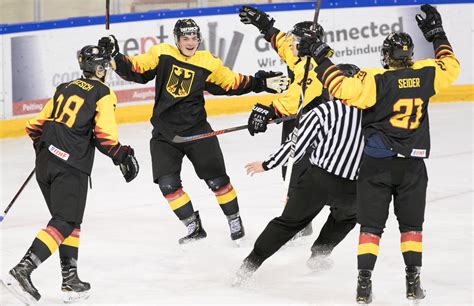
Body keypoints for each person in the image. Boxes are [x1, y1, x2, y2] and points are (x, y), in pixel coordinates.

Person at [297, 4, 460, 304]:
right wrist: (438, 35)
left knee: (371, 228)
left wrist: (320, 55)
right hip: (412, 167)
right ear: (410, 55)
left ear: (387, 57)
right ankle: (413, 283)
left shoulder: (375, 80)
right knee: (411, 228)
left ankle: (363, 285)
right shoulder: (426, 75)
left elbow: (340, 87)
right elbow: (451, 66)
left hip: (376, 167)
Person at [98, 19, 288, 244]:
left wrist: (260, 82)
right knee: (168, 185)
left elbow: (231, 83)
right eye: (185, 38)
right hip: (164, 134)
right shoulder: (162, 53)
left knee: (218, 182)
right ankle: (193, 226)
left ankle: (234, 218)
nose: (190, 42)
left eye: (194, 38)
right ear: (176, 39)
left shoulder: (207, 61)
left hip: (198, 132)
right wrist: (116, 58)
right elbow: (137, 69)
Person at [4, 45, 139, 304]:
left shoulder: (63, 87)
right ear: (97, 68)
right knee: (65, 221)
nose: (105, 71)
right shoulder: (103, 92)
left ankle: (70, 280)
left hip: (46, 162)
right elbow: (105, 137)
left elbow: (34, 127)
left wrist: (47, 149)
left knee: (68, 221)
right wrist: (123, 155)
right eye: (103, 66)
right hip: (71, 165)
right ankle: (24, 269)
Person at [234, 63, 364, 285]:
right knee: (347, 217)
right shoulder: (374, 113)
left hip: (319, 181)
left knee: (287, 224)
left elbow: (296, 146)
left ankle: (249, 267)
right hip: (354, 186)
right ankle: (319, 254)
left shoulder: (323, 111)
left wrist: (267, 164)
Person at [238, 6, 332, 236]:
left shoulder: (315, 69)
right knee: (289, 170)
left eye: (296, 40)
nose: (291, 43)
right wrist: (265, 25)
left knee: (302, 172)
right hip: (295, 119)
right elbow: (281, 42)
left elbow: (294, 101)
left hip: (313, 123)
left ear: (307, 44)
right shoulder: (299, 54)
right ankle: (300, 219)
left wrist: (267, 111)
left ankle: (301, 221)